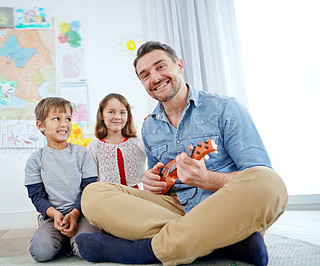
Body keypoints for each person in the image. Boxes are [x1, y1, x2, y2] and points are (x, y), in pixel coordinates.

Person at [75, 41, 288, 266]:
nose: (154, 78)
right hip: (175, 208)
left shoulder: (226, 108)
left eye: (160, 67)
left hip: (223, 206)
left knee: (269, 183)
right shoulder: (150, 127)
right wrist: (153, 182)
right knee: (93, 195)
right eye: (145, 75)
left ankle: (140, 251)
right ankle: (225, 242)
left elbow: (256, 173)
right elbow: (164, 187)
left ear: (179, 65)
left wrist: (209, 179)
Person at [24, 97, 100, 262]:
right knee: (40, 252)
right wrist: (55, 214)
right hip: (53, 216)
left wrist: (74, 213)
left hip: (81, 214)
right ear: (41, 126)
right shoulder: (35, 160)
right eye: (56, 118)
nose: (64, 124)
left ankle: (72, 240)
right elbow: (37, 196)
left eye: (68, 119)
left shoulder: (82, 154)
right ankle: (61, 238)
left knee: (88, 249)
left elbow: (89, 189)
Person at [87, 93, 146, 188]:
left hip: (136, 196)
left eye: (122, 112)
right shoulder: (94, 146)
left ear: (128, 116)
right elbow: (93, 179)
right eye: (111, 112)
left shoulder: (138, 142)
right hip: (108, 196)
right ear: (101, 115)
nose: (117, 117)